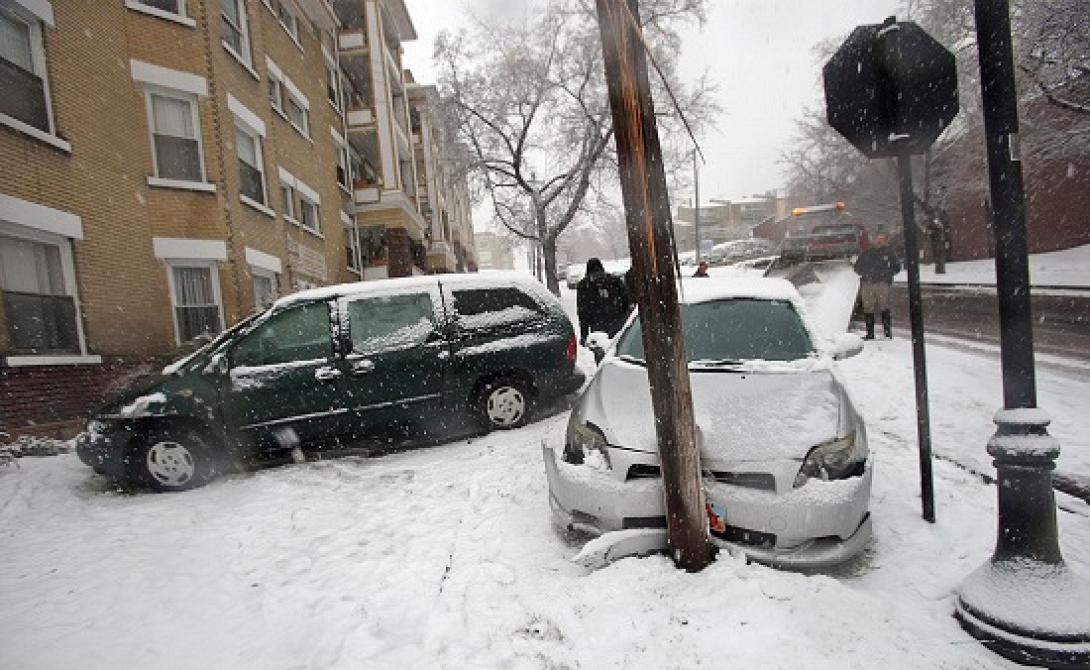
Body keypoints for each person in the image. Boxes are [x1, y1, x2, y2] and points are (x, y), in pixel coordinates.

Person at [853, 233, 901, 339]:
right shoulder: (866, 253)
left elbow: (896, 267)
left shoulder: (889, 253)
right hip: (868, 284)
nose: (879, 241)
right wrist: (866, 274)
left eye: (882, 239)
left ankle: (887, 333)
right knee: (868, 308)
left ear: (885, 241)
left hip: (882, 284)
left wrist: (886, 274)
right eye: (878, 239)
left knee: (884, 307)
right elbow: (857, 267)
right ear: (874, 240)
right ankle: (870, 333)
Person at [576, 258, 629, 344]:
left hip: (597, 328)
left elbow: (582, 312)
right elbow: (626, 301)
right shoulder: (614, 281)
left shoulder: (584, 286)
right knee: (618, 350)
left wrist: (584, 335)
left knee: (602, 352)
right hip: (617, 323)